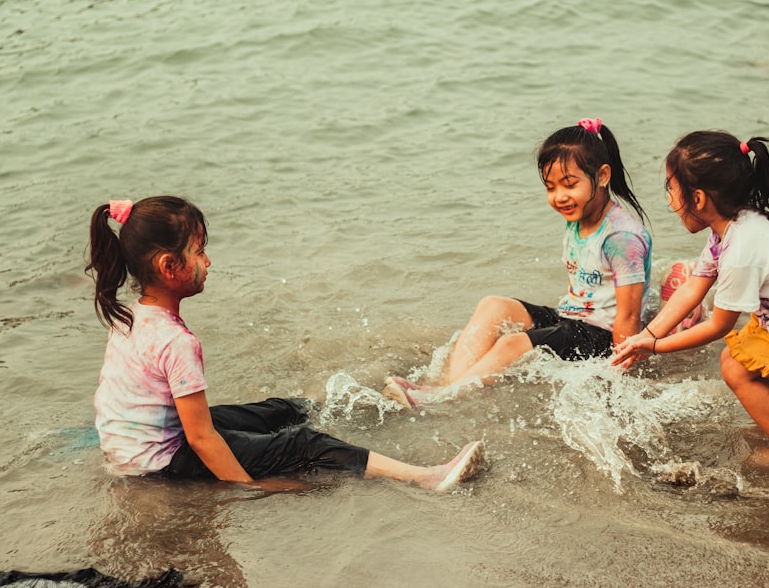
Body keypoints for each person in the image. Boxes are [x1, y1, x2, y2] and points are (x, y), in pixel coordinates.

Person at [86, 196, 485, 491]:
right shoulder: (176, 341)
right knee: (304, 443)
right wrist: (250, 486)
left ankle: (371, 410)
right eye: (200, 251)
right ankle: (424, 478)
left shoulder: (130, 315)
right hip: (162, 464)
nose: (208, 262)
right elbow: (201, 439)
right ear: (170, 267)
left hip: (140, 449)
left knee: (276, 412)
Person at [612, 132, 769, 449]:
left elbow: (719, 325)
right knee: (741, 360)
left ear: (699, 198)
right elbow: (693, 286)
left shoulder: (741, 249)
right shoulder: (733, 226)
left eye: (670, 188)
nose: (669, 200)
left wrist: (655, 347)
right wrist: (645, 336)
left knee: (735, 367)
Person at [383, 118, 654, 408]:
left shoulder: (621, 236)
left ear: (602, 177)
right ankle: (446, 387)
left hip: (601, 335)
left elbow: (627, 318)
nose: (559, 196)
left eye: (569, 184)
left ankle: (439, 400)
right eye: (550, 187)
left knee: (511, 344)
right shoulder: (581, 215)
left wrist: (619, 378)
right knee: (493, 305)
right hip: (573, 317)